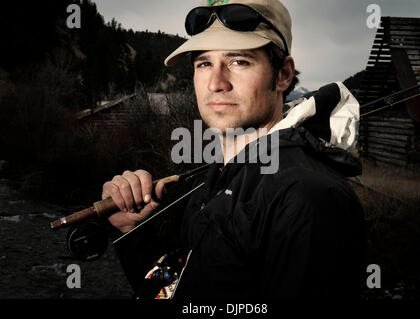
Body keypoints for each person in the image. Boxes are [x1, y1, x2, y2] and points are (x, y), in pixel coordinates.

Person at [102, 0, 367, 300]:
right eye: (204, 63)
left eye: (239, 61)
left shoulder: (308, 199)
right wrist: (133, 232)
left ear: (283, 74)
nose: (216, 83)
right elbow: (177, 293)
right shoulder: (214, 181)